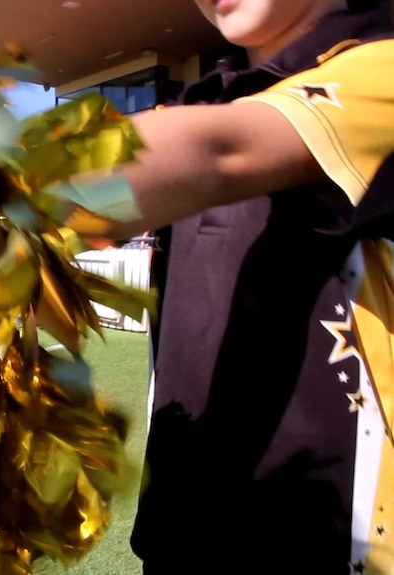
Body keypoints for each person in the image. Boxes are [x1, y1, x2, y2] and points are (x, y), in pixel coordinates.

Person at [57, 0, 394, 573]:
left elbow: (219, 151)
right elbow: (28, 254)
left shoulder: (381, 69)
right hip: (181, 537)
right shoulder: (199, 104)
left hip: (333, 545)